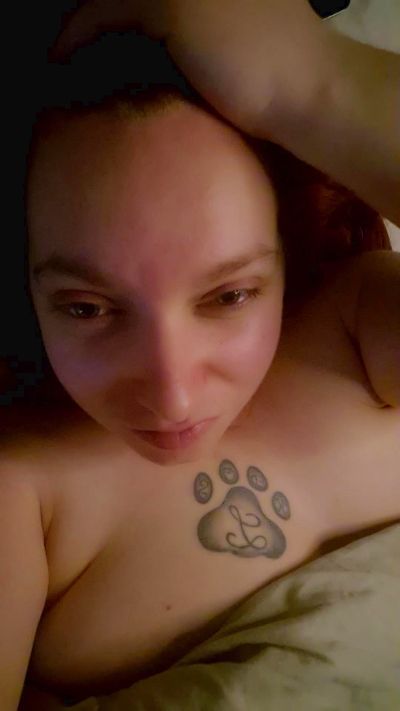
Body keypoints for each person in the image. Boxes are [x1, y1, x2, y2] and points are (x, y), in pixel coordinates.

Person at [4, 1, 399, 709]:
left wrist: (317, 84)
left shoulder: (360, 323)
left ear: (288, 253)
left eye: (230, 295)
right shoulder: (22, 496)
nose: (174, 396)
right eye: (87, 308)